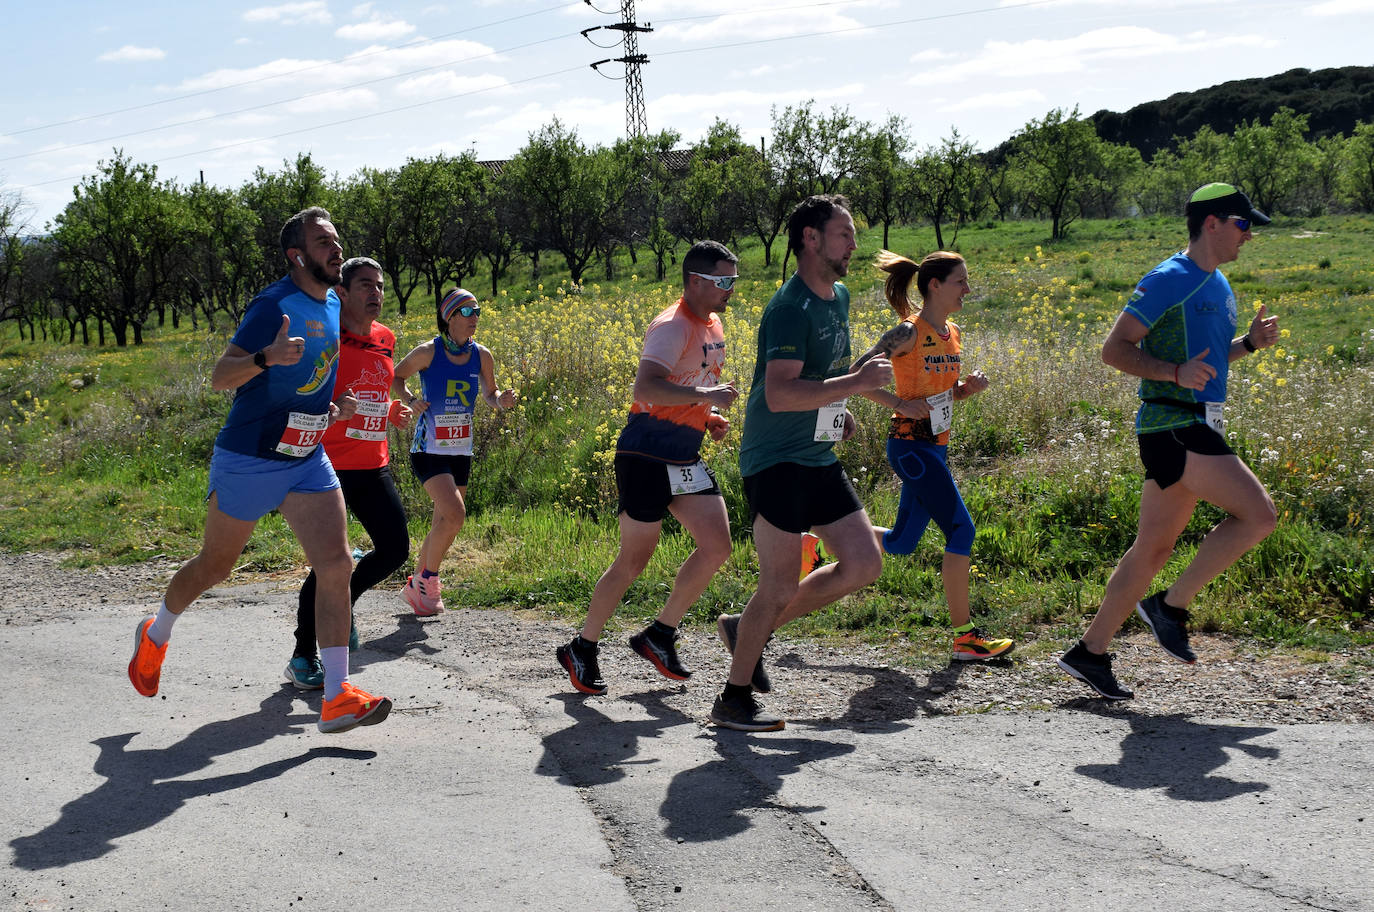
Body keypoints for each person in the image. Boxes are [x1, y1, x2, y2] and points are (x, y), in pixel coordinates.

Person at [127, 207, 393, 734]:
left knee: (337, 564)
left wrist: (330, 409)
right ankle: (155, 633)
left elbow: (317, 374)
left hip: (306, 456)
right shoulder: (273, 305)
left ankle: (337, 693)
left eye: (336, 239)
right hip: (249, 457)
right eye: (322, 242)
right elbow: (220, 377)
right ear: (297, 256)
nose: (335, 249)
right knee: (214, 568)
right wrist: (266, 359)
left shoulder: (334, 304)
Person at [1058, 182, 1280, 699]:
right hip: (1175, 423)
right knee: (1259, 515)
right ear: (1212, 223)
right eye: (1243, 225)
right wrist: (1172, 373)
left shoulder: (1218, 282)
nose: (1249, 236)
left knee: (1153, 548)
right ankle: (1170, 606)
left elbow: (1208, 363)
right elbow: (1114, 350)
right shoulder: (1169, 278)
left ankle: (1089, 653)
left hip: (1191, 421)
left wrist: (1248, 344)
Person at [711, 195, 894, 732]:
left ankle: (745, 628)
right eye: (843, 234)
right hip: (775, 460)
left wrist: (840, 407)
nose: (854, 245)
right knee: (780, 583)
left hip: (816, 454)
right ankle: (734, 699)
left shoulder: (838, 295)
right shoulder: (789, 308)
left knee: (865, 564)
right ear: (810, 239)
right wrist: (857, 385)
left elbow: (821, 377)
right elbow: (781, 394)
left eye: (853, 234)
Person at [555, 241, 740, 695]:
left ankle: (659, 634)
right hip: (645, 455)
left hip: (684, 452)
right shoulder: (671, 326)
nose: (730, 290)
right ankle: (582, 647)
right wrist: (706, 398)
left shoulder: (713, 323)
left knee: (717, 546)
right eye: (723, 281)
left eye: (734, 281)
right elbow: (647, 386)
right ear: (695, 281)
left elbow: (688, 384)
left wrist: (707, 416)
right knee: (634, 559)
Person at [838, 249, 1013, 662]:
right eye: (961, 281)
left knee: (900, 543)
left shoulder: (952, 332)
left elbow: (939, 394)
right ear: (935, 285)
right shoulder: (908, 332)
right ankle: (965, 639)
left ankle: (820, 542)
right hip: (910, 448)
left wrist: (964, 392)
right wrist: (896, 402)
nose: (968, 289)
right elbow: (856, 376)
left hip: (936, 446)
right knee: (962, 532)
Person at [284, 256, 412, 689]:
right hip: (327, 465)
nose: (375, 293)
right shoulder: (328, 339)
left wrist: (393, 410)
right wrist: (334, 413)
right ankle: (303, 655)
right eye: (365, 286)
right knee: (328, 565)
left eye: (379, 286)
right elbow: (303, 394)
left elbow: (376, 391)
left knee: (395, 549)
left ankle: (343, 606)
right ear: (341, 293)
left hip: (372, 463)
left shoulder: (386, 337)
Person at [392, 288, 518, 616]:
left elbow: (489, 393)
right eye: (467, 311)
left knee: (442, 519)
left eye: (477, 311)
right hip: (428, 448)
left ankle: (415, 585)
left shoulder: (482, 355)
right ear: (449, 317)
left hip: (461, 449)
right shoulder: (427, 352)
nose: (474, 317)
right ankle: (429, 582)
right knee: (456, 515)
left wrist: (500, 400)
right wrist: (409, 400)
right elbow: (397, 376)